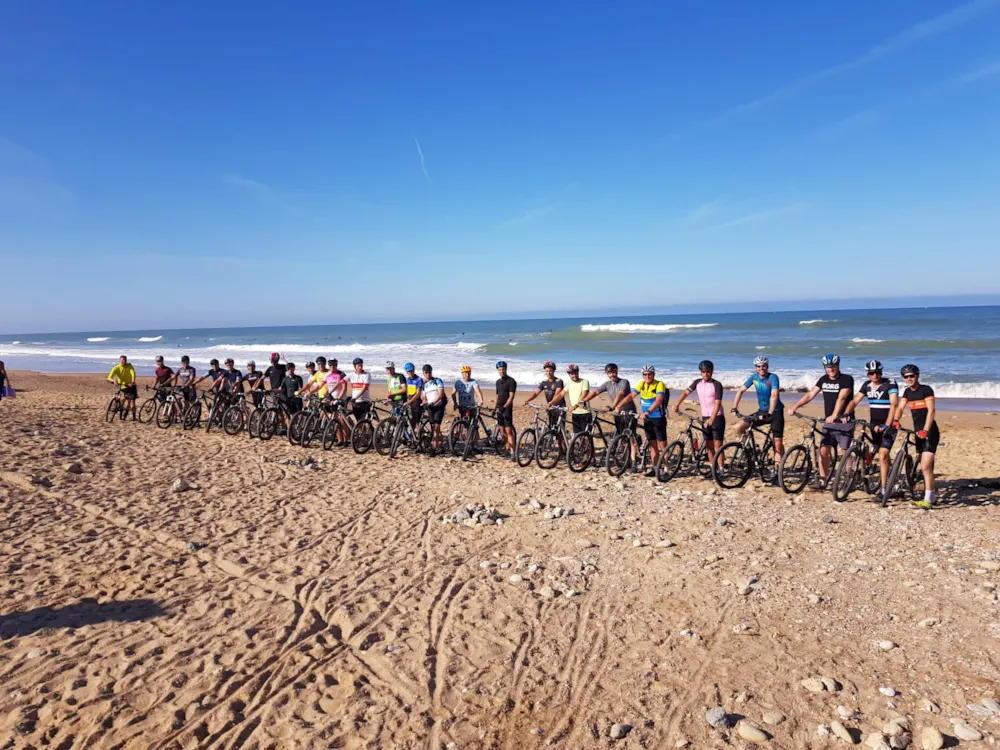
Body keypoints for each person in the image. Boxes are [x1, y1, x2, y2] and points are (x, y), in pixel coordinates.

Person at [790, 353, 855, 483]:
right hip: (829, 422)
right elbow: (810, 395)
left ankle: (849, 478)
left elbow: (842, 398)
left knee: (845, 452)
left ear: (838, 366)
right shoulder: (823, 379)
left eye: (833, 366)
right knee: (823, 451)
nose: (830, 369)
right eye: (827, 367)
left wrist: (835, 415)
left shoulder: (846, 379)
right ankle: (822, 479)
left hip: (844, 421)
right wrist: (795, 406)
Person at [846, 359, 899, 503]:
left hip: (888, 426)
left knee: (883, 455)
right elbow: (854, 401)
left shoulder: (890, 383)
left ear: (881, 372)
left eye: (877, 372)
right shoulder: (867, 385)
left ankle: (883, 490)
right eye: (871, 373)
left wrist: (887, 424)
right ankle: (868, 472)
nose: (875, 375)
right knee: (872, 449)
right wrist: (846, 414)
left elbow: (894, 405)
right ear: (868, 374)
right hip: (874, 426)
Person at [894, 364, 939, 509]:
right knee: (923, 462)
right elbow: (900, 407)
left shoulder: (926, 390)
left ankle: (928, 500)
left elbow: (931, 411)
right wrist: (896, 420)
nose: (909, 379)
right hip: (917, 432)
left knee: (925, 466)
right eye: (906, 377)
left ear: (917, 375)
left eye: (911, 376)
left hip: (930, 432)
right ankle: (931, 494)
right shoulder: (907, 392)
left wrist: (925, 430)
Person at [581, 363, 638, 466]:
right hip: (618, 415)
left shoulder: (624, 382)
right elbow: (596, 392)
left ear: (617, 371)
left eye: (613, 372)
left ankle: (633, 461)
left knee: (631, 438)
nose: (612, 375)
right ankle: (626, 460)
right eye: (609, 373)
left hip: (629, 413)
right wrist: (584, 400)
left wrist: (612, 406)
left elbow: (620, 395)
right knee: (621, 437)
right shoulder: (607, 384)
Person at [731, 355, 785, 465]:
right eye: (758, 366)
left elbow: (774, 395)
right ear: (755, 367)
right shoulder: (754, 377)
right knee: (738, 427)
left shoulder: (773, 377)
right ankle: (751, 451)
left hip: (776, 412)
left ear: (767, 366)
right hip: (762, 411)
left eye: (764, 366)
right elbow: (740, 391)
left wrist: (770, 412)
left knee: (777, 442)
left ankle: (779, 468)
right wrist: (734, 407)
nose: (761, 368)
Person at [674, 360, 725, 465]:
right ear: (700, 372)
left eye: (708, 372)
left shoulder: (717, 384)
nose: (705, 374)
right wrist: (677, 404)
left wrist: (712, 418)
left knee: (718, 445)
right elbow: (685, 393)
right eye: (703, 372)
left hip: (717, 417)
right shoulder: (697, 383)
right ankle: (713, 468)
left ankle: (721, 469)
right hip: (705, 417)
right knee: (709, 445)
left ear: (712, 371)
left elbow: (718, 403)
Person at [631, 364, 669, 476]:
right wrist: (618, 405)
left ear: (653, 374)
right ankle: (655, 468)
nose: (647, 376)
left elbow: (658, 401)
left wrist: (647, 412)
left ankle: (666, 469)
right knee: (652, 445)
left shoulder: (659, 384)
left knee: (662, 446)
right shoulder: (641, 384)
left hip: (658, 418)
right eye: (645, 374)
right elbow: (631, 395)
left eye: (649, 374)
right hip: (647, 419)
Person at [522, 361, 565, 431]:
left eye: (550, 371)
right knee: (551, 428)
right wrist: (527, 400)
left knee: (559, 431)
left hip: (559, 408)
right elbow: (536, 393)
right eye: (547, 371)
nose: (548, 373)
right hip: (550, 407)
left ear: (554, 371)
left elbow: (557, 394)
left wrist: (550, 403)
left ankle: (562, 441)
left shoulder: (559, 381)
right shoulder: (544, 382)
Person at [420, 364, 447, 450]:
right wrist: (424, 403)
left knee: (436, 427)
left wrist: (433, 402)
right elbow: (424, 397)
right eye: (426, 372)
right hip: (430, 407)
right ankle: (441, 443)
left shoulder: (438, 381)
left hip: (439, 406)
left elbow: (441, 394)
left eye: (429, 372)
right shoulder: (424, 384)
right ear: (423, 373)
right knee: (434, 428)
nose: (428, 374)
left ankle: (434, 448)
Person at [495, 361, 517, 456]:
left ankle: (513, 452)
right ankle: (507, 444)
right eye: (499, 369)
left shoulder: (511, 381)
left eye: (503, 369)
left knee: (508, 431)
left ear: (506, 369)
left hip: (507, 409)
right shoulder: (498, 382)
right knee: (502, 430)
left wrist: (505, 407)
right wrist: (494, 408)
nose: (501, 371)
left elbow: (511, 397)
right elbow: (497, 396)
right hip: (499, 408)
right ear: (498, 371)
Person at [107, 355, 138, 420]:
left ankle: (134, 417)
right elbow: (109, 377)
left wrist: (132, 381)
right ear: (119, 360)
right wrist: (113, 380)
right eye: (122, 360)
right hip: (123, 385)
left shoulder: (129, 365)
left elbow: (133, 373)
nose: (123, 361)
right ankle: (123, 413)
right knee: (125, 400)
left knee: (132, 402)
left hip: (131, 385)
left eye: (124, 360)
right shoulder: (116, 368)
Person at [563, 364, 591, 433]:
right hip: (575, 413)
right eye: (572, 374)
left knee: (586, 436)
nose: (574, 375)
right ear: (569, 374)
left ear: (578, 372)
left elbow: (584, 395)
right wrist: (551, 403)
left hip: (585, 412)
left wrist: (575, 406)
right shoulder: (569, 384)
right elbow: (561, 394)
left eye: (575, 373)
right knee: (577, 435)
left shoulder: (584, 381)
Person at [347, 357, 372, 422]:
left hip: (364, 402)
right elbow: (341, 382)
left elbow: (364, 388)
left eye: (361, 365)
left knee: (366, 422)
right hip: (355, 403)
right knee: (358, 421)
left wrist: (354, 398)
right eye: (358, 366)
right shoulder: (351, 375)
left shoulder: (367, 375)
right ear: (355, 366)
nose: (360, 367)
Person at [403, 363, 424, 429]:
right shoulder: (407, 379)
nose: (410, 372)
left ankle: (419, 437)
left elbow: (418, 394)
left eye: (411, 370)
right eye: (408, 371)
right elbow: (407, 392)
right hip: (409, 402)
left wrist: (409, 402)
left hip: (416, 402)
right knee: (410, 421)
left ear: (414, 370)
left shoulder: (419, 379)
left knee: (416, 422)